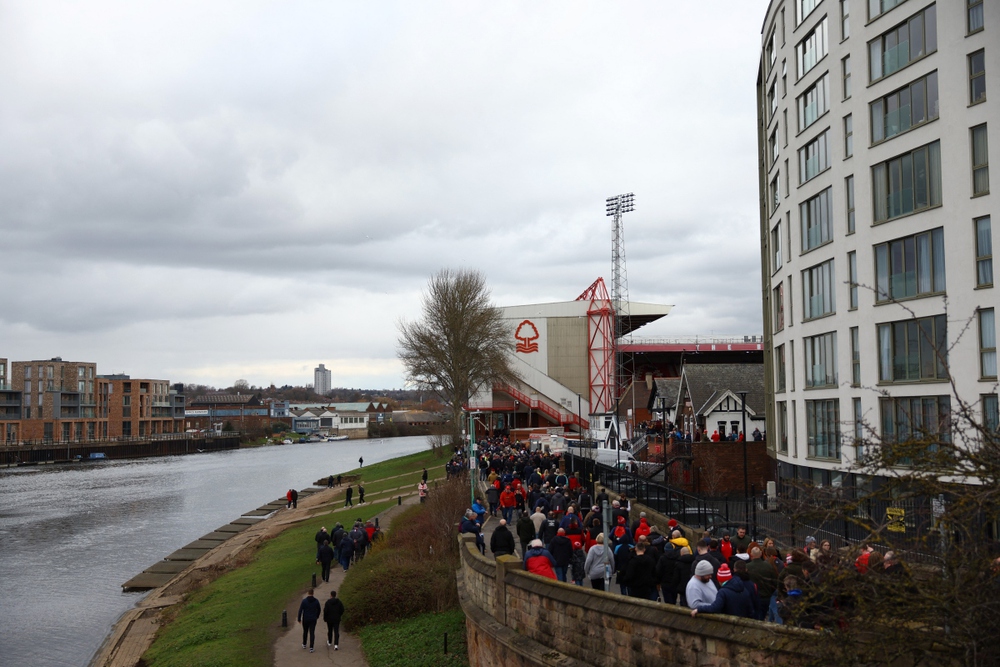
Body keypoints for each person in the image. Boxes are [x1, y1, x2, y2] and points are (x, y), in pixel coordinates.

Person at [691, 560, 757, 619]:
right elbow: (751, 610)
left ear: (720, 580)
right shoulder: (743, 588)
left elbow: (715, 608)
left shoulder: (723, 592)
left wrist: (699, 609)